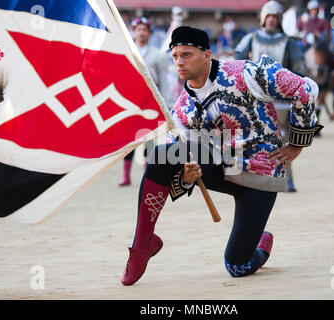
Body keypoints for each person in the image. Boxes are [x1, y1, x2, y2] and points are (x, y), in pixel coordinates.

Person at [120, 26, 322, 285]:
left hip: (261, 173)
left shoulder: (247, 73)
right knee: (161, 155)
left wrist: (297, 143)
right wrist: (186, 175)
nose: (179, 62)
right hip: (220, 167)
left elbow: (305, 89)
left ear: (207, 54)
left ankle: (261, 243)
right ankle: (142, 244)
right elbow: (177, 157)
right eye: (175, 55)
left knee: (237, 266)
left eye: (187, 54)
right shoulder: (182, 108)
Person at [235, 0, 308, 192]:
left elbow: (299, 70)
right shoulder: (251, 39)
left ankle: (286, 178)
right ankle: (254, 178)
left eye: (275, 17)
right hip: (255, 97)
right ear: (262, 18)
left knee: (282, 139)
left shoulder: (289, 41)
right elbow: (237, 64)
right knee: (253, 138)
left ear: (280, 19)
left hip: (281, 99)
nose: (271, 20)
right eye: (268, 16)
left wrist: (294, 89)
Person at [119, 17, 172, 186]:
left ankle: (146, 174)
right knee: (128, 141)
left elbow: (164, 81)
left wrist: (165, 104)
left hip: (150, 101)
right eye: (138, 30)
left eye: (144, 30)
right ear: (133, 32)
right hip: (129, 101)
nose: (141, 33)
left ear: (149, 33)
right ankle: (126, 175)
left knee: (148, 139)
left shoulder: (158, 55)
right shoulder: (125, 51)